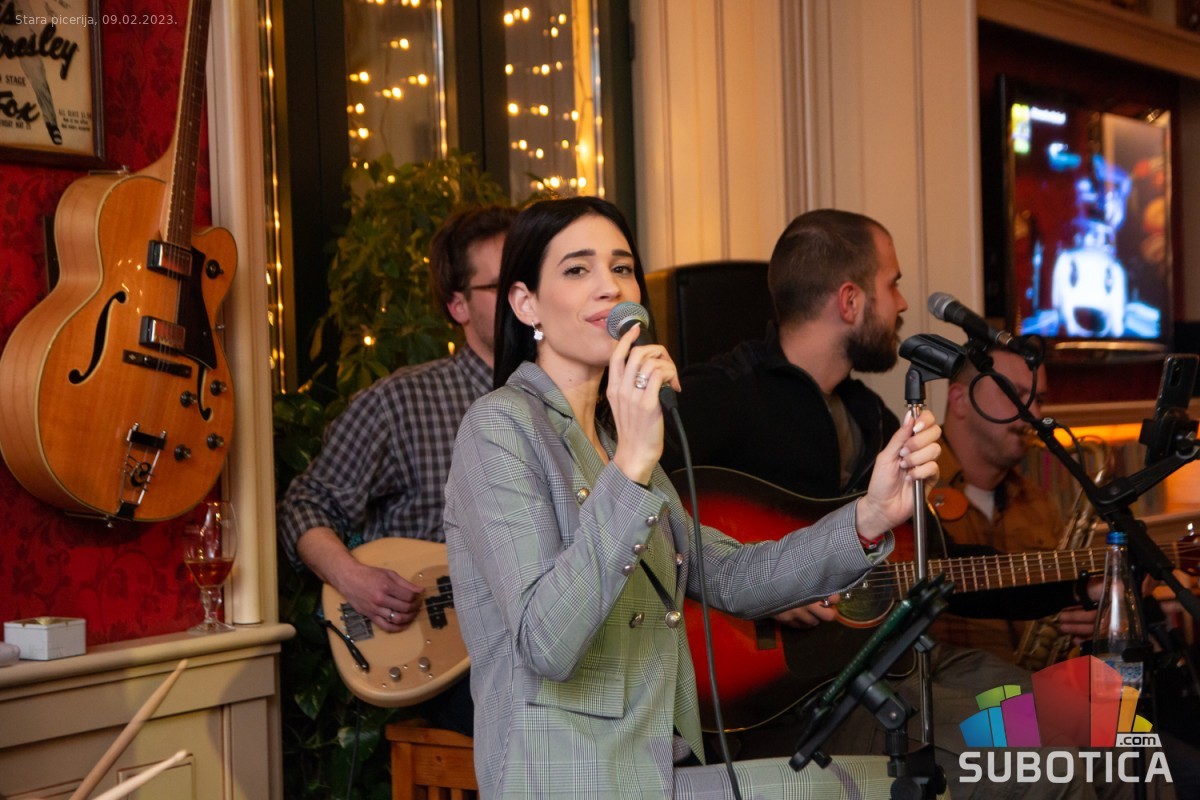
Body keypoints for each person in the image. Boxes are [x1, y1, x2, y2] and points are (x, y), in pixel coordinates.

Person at [442, 196, 943, 798]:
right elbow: (546, 642)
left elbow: (734, 574)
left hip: (658, 768)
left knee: (897, 785)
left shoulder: (616, 440)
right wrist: (630, 467)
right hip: (568, 777)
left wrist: (869, 515)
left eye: (622, 268)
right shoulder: (500, 428)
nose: (609, 286)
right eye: (577, 269)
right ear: (526, 304)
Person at [666, 209, 1100, 798]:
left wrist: (1076, 582)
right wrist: (766, 588)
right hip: (799, 703)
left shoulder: (869, 418)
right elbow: (637, 515)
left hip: (892, 668)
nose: (902, 304)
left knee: (1104, 730)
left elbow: (936, 564)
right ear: (850, 301)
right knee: (1048, 769)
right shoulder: (721, 395)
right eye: (892, 284)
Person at [277, 204, 516, 734]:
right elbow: (305, 504)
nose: (523, 299)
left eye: (529, 281)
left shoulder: (572, 402)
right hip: (452, 665)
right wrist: (352, 578)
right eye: (501, 287)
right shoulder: (401, 402)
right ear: (457, 305)